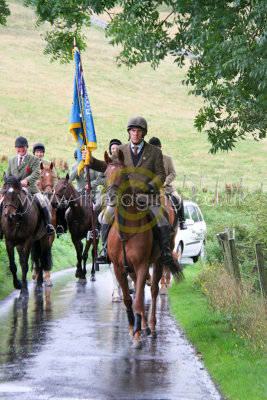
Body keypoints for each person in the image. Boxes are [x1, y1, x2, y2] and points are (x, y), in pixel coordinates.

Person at [83, 116, 176, 267]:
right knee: (105, 218)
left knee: (163, 219)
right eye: (133, 130)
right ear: (129, 132)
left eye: (139, 131)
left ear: (143, 133)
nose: (135, 134)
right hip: (124, 198)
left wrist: (150, 186)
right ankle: (105, 250)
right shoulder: (121, 150)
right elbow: (109, 167)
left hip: (147, 197)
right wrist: (91, 161)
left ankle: (165, 251)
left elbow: (161, 174)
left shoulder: (154, 152)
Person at [0, 136, 54, 239]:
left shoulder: (33, 159)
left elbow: (37, 172)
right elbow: (8, 177)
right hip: (14, 190)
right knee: (1, 202)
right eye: (18, 147)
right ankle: (0, 229)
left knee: (43, 201)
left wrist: (27, 180)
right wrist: (3, 191)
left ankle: (48, 225)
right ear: (16, 148)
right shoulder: (12, 160)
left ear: (27, 147)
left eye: (23, 147)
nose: (21, 149)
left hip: (30, 188)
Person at [148, 136, 187, 230]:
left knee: (178, 198)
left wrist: (165, 181)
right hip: (151, 188)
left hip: (166, 188)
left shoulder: (168, 159)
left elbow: (173, 173)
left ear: (160, 148)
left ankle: (182, 221)